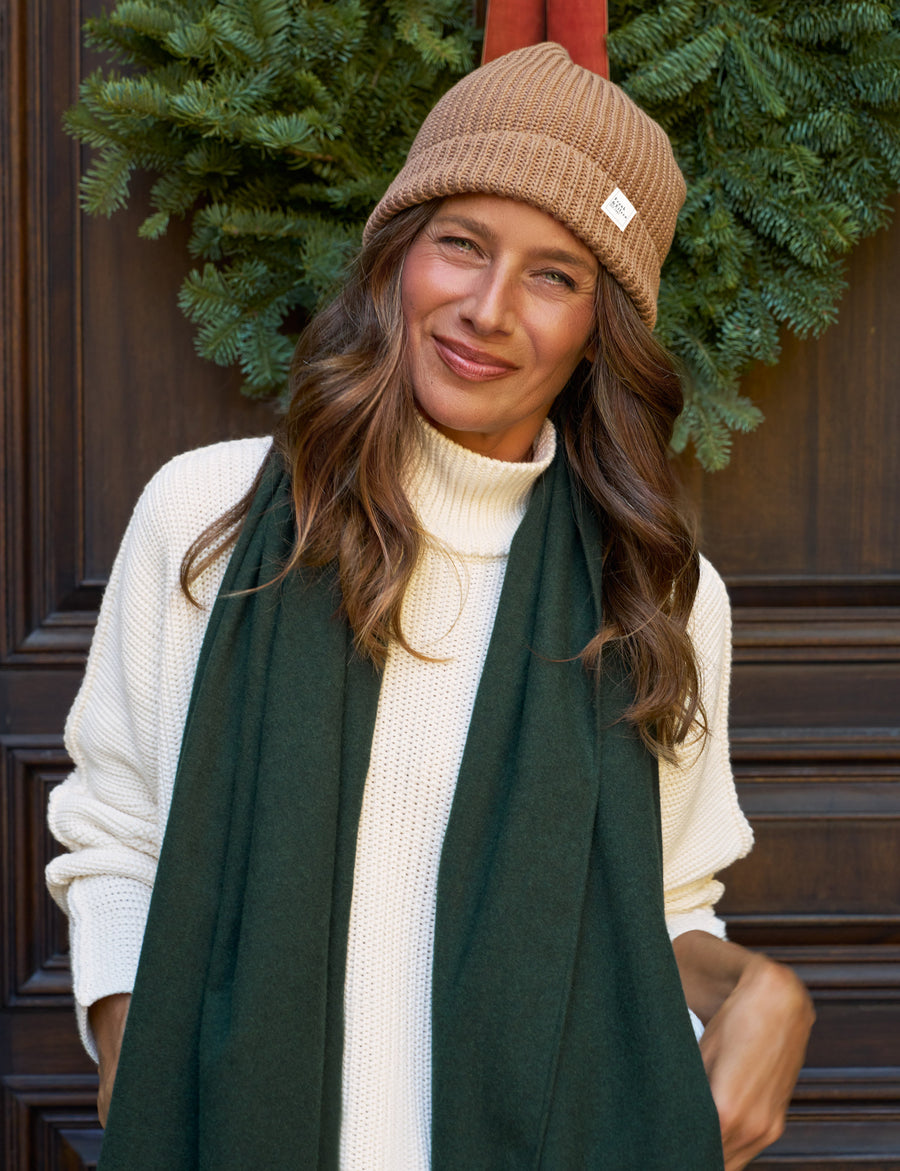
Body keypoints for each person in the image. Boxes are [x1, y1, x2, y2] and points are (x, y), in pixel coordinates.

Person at [46, 42, 813, 1171]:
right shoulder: (208, 516)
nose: (488, 309)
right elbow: (117, 836)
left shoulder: (656, 592)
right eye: (462, 243)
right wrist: (135, 1065)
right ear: (399, 256)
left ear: (603, 328)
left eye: (555, 275)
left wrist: (763, 992)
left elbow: (657, 907)